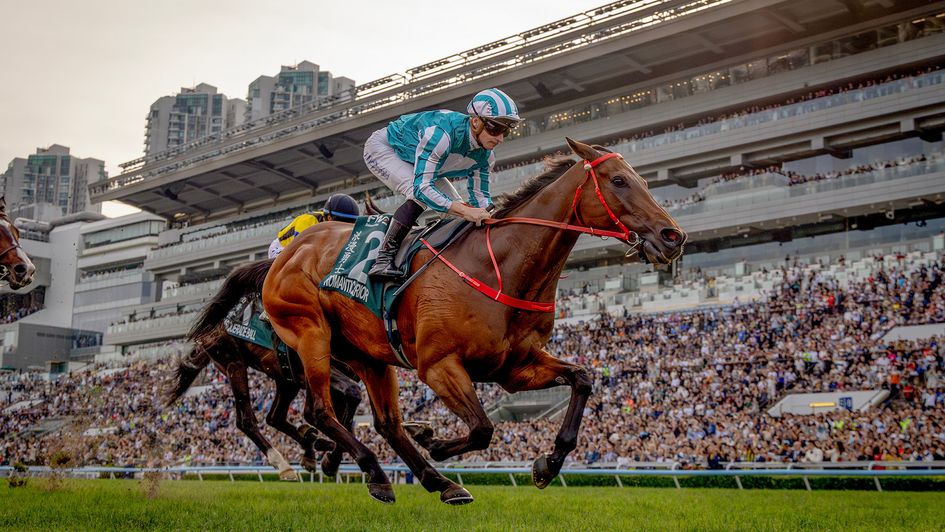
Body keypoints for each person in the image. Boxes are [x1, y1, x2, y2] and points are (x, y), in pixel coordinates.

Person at [363, 88, 522, 280]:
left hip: (420, 158)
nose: (500, 138)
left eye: (505, 130)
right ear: (475, 121)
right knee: (419, 195)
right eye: (495, 128)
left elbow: (481, 199)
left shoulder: (486, 157)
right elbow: (422, 188)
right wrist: (465, 211)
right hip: (385, 148)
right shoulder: (442, 135)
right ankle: (383, 259)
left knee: (455, 209)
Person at [267, 193, 360, 259]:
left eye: (350, 223)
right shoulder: (307, 221)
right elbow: (299, 252)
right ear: (329, 217)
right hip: (282, 248)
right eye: (342, 222)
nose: (344, 227)